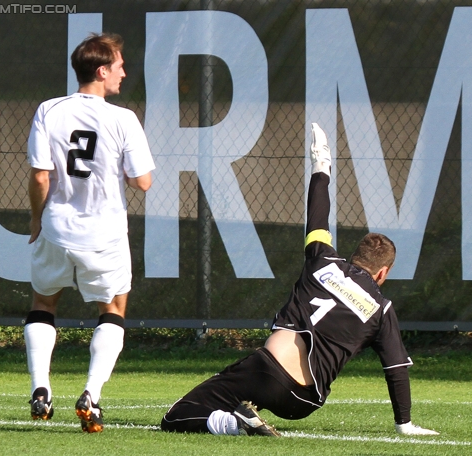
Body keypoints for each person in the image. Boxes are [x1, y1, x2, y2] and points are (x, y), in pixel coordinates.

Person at [160, 123, 438, 437]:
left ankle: (232, 423)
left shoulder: (322, 261)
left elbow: (318, 212)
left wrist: (321, 163)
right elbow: (396, 369)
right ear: (383, 273)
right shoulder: (381, 308)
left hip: (266, 369)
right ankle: (242, 417)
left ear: (353, 257)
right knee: (254, 395)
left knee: (175, 419)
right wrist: (405, 424)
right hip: (304, 400)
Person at [24, 32, 155, 433]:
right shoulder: (123, 118)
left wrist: (35, 218)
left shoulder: (49, 110)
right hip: (105, 234)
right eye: (118, 66)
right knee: (112, 311)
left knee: (43, 303)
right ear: (101, 71)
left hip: (57, 228)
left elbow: (40, 176)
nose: (123, 73)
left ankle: (41, 389)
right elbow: (142, 182)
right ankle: (92, 395)